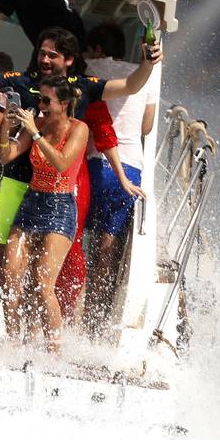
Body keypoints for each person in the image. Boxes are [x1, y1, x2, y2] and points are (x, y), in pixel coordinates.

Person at [0, 27, 159, 320]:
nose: (45, 59)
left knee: (49, 273)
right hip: (18, 183)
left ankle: (54, 329)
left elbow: (129, 87)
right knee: (6, 267)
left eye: (53, 54)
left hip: (60, 188)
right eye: (42, 52)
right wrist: (3, 123)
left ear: (69, 59)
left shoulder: (83, 88)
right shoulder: (24, 82)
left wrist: (148, 64)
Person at [0, 76, 89, 352]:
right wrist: (5, 128)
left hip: (60, 207)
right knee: (10, 277)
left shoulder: (78, 128)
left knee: (41, 283)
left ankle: (53, 352)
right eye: (40, 100)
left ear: (64, 104)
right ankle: (14, 346)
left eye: (47, 101)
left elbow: (61, 163)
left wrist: (35, 133)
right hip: (31, 202)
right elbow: (6, 156)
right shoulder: (36, 124)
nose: (41, 105)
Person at [80, 24, 160, 336]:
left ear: (97, 49)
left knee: (74, 242)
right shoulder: (148, 73)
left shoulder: (92, 69)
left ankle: (70, 312)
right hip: (129, 170)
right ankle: (94, 323)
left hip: (94, 165)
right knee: (106, 248)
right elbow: (146, 126)